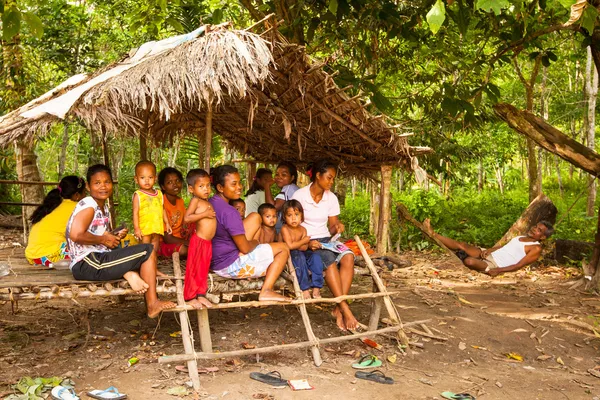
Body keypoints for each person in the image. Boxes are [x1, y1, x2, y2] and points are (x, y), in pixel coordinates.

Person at [66, 164, 175, 318]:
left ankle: (131, 273)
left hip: (98, 257)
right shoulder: (89, 205)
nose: (103, 186)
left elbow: (97, 237)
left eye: (107, 182)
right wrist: (105, 239)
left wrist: (113, 236)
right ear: (88, 187)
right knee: (147, 249)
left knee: (127, 247)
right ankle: (152, 304)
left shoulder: (101, 207)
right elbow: (76, 235)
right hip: (87, 263)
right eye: (97, 183)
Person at [292, 159, 358, 331]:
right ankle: (345, 309)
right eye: (329, 177)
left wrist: (337, 227)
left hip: (327, 241)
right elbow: (292, 224)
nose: (331, 182)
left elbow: (332, 226)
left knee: (349, 256)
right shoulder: (300, 196)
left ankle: (338, 307)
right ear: (318, 176)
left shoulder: (331, 198)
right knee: (328, 260)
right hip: (307, 242)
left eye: (333, 179)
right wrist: (306, 241)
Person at [209, 165, 289, 301]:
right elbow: (245, 248)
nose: (239, 187)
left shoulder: (212, 202)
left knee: (255, 217)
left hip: (216, 258)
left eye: (239, 182)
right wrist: (256, 242)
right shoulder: (230, 212)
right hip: (229, 265)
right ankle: (266, 290)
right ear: (220, 188)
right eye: (234, 184)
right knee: (283, 248)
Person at [423, 219, 554, 277]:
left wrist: (499, 270)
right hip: (489, 255)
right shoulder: (522, 237)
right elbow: (504, 247)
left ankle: (478, 265)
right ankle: (432, 233)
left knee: (469, 261)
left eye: (539, 230)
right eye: (536, 226)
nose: (534, 229)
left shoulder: (535, 249)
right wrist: (489, 250)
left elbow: (519, 265)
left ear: (542, 237)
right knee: (462, 245)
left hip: (495, 264)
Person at [25, 176, 87, 267]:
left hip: (33, 256)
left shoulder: (53, 204)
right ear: (77, 195)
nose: (86, 196)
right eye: (85, 192)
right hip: (50, 255)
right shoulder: (78, 207)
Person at [182, 169, 216, 309]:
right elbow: (187, 218)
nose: (206, 189)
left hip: (207, 243)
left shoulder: (206, 201)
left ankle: (201, 295)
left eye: (208, 185)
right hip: (199, 241)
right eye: (201, 186)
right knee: (194, 269)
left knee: (203, 269)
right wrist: (205, 214)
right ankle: (190, 297)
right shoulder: (195, 201)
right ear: (191, 189)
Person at [280, 200, 323, 300]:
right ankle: (304, 289)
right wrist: (303, 241)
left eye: (296, 214)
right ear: (284, 217)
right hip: (288, 255)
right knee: (299, 257)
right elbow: (290, 246)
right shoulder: (284, 229)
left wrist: (299, 244)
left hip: (301, 252)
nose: (293, 218)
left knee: (315, 257)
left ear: (301, 216)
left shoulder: (303, 229)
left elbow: (304, 247)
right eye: (289, 215)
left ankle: (316, 287)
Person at [132, 161, 170, 261]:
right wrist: (136, 229)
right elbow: (135, 213)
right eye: (142, 178)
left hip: (156, 228)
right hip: (144, 230)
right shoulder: (138, 195)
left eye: (150, 177)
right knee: (144, 251)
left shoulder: (159, 194)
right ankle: (143, 269)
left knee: (154, 250)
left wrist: (167, 223)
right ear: (136, 179)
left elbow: (162, 209)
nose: (147, 181)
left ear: (155, 178)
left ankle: (154, 268)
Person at [158, 167, 192, 258]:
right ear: (163, 187)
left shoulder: (180, 201)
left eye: (177, 181)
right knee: (184, 250)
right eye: (169, 182)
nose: (175, 185)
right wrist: (191, 243)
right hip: (164, 243)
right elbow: (167, 239)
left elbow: (186, 223)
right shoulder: (161, 204)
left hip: (180, 238)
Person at [269, 161, 300, 232]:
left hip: (286, 231)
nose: (279, 177)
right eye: (277, 174)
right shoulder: (293, 188)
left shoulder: (288, 188)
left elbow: (272, 208)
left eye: (284, 175)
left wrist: (267, 186)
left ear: (292, 178)